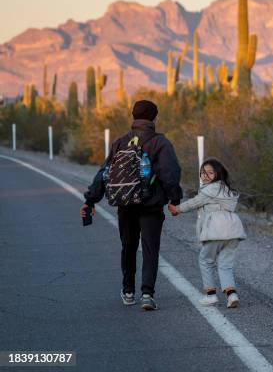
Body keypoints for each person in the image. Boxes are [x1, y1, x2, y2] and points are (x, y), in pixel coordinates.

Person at [79, 99, 182, 311]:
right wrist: (175, 199)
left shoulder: (120, 142)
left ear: (133, 116)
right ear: (154, 118)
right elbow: (170, 174)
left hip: (125, 204)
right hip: (151, 205)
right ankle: (147, 294)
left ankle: (128, 290)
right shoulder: (160, 142)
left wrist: (90, 200)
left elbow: (104, 173)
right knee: (150, 248)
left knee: (128, 246)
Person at [168, 158, 246, 308]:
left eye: (210, 173)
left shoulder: (210, 189)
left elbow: (194, 202)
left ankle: (210, 295)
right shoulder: (226, 189)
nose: (205, 176)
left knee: (206, 260)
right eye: (203, 173)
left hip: (216, 231)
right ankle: (232, 295)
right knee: (225, 264)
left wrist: (177, 209)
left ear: (218, 174)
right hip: (233, 230)